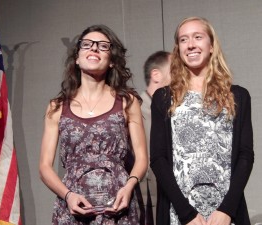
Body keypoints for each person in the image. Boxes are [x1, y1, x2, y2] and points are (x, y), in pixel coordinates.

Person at [39, 24, 148, 225]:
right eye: (87, 44)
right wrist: (68, 195)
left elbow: (142, 158)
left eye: (103, 46)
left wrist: (129, 186)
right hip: (74, 209)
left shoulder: (127, 102)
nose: (94, 48)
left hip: (118, 207)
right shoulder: (57, 107)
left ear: (112, 61)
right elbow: (45, 166)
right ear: (77, 59)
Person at [150, 17, 254, 225]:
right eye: (183, 40)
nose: (190, 45)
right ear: (178, 48)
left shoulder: (238, 96)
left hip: (225, 213)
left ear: (211, 45)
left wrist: (227, 209)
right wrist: (186, 213)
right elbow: (158, 159)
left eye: (198, 37)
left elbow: (245, 155)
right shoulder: (163, 97)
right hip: (180, 213)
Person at [139, 51, 171, 224]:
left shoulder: (176, 111)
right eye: (176, 69)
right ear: (156, 75)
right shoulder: (135, 110)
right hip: (145, 205)